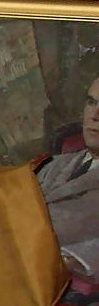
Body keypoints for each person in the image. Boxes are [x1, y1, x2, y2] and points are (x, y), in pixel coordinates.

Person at [37, 74, 99, 287]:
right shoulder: (55, 164)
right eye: (91, 102)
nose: (95, 115)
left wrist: (73, 260)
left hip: (59, 285)